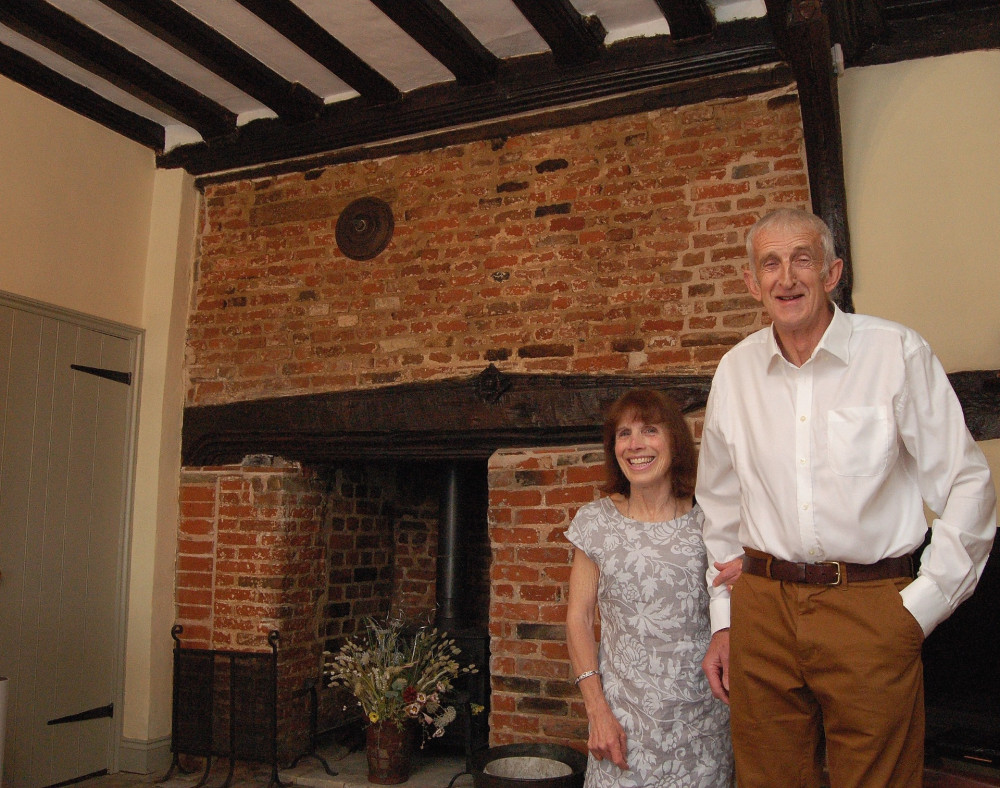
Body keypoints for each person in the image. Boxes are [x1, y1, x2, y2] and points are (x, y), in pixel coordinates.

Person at [697, 208, 997, 787]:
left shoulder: (895, 353)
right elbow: (718, 505)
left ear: (832, 272)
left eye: (802, 259)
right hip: (761, 608)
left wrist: (921, 607)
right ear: (751, 283)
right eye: (771, 264)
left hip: (869, 608)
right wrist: (725, 619)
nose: (787, 278)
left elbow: (967, 483)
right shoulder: (735, 372)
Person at [566, 388, 737, 788]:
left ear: (675, 442)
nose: (635, 444)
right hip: (621, 727)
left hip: (702, 726)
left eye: (649, 430)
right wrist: (597, 712)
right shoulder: (595, 522)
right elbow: (577, 618)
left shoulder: (711, 521)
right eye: (623, 434)